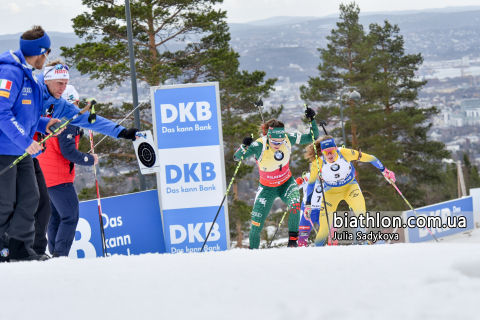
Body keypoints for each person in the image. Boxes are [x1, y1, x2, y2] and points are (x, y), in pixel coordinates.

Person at [30, 59, 139, 256]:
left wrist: (122, 132)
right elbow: (16, 115)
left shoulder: (59, 105)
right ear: (46, 80)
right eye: (59, 83)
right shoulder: (30, 90)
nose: (63, 88)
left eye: (66, 83)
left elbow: (90, 120)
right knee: (60, 215)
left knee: (48, 215)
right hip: (29, 159)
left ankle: (47, 254)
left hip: (38, 166)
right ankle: (52, 254)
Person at [0, 26, 65, 262]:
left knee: (31, 197)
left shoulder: (29, 74)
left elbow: (27, 115)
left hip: (21, 149)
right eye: (47, 53)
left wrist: (45, 124)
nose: (47, 57)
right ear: (40, 52)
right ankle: (3, 251)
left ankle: (19, 248)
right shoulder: (10, 72)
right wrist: (26, 141)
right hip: (5, 149)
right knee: (5, 203)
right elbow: (2, 113)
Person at [234, 107, 320, 249]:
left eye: (280, 142)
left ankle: (292, 243)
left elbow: (313, 136)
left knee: (294, 204)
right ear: (268, 136)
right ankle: (252, 253)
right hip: (267, 188)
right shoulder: (259, 145)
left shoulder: (288, 138)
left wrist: (312, 120)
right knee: (256, 224)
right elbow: (237, 157)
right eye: (274, 142)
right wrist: (244, 146)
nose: (277, 145)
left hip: (286, 183)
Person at [37, 85, 97, 257]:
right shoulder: (68, 122)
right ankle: (60, 255)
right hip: (58, 178)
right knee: (70, 216)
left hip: (45, 176)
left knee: (55, 217)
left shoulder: (50, 118)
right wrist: (90, 159)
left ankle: (55, 254)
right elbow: (68, 152)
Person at [303, 135, 395, 247]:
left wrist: (385, 171)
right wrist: (308, 204)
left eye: (332, 151)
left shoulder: (345, 153)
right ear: (322, 152)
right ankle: (317, 253)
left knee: (361, 214)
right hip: (331, 192)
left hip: (350, 187)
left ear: (336, 148)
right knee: (324, 228)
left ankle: (364, 243)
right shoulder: (317, 162)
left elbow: (371, 158)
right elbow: (311, 183)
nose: (330, 155)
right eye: (326, 153)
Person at [295, 173, 323, 247]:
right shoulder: (309, 177)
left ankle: (327, 253)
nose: (322, 176)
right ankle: (302, 255)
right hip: (308, 210)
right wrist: (297, 182)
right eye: (320, 173)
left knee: (332, 231)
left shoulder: (329, 176)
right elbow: (295, 187)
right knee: (302, 236)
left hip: (323, 210)